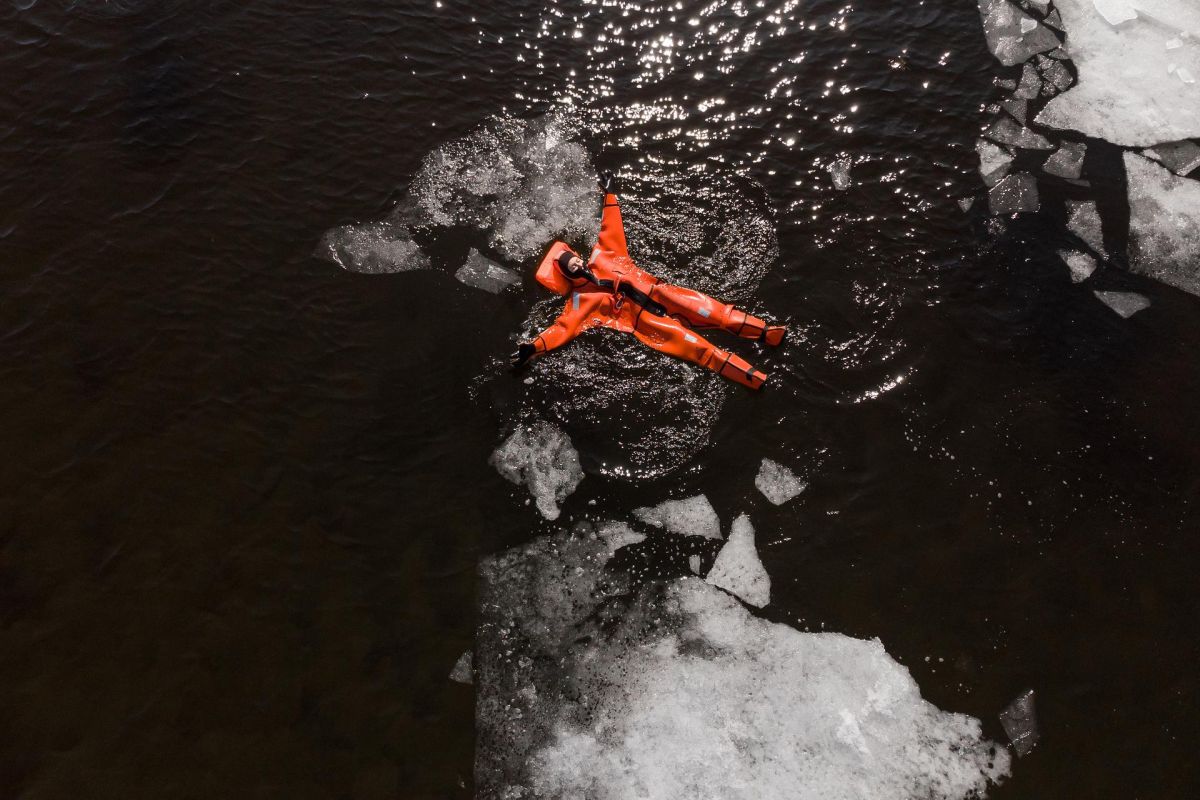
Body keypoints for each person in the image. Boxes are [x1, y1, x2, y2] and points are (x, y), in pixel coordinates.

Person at [510, 172, 785, 389]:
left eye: (576, 260)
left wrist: (610, 192)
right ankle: (754, 377)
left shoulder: (605, 255)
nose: (579, 266)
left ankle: (767, 332)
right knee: (701, 350)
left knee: (717, 312)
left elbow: (612, 226)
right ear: (567, 277)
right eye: (572, 268)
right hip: (650, 325)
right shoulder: (581, 302)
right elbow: (563, 329)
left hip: (664, 294)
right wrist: (535, 347)